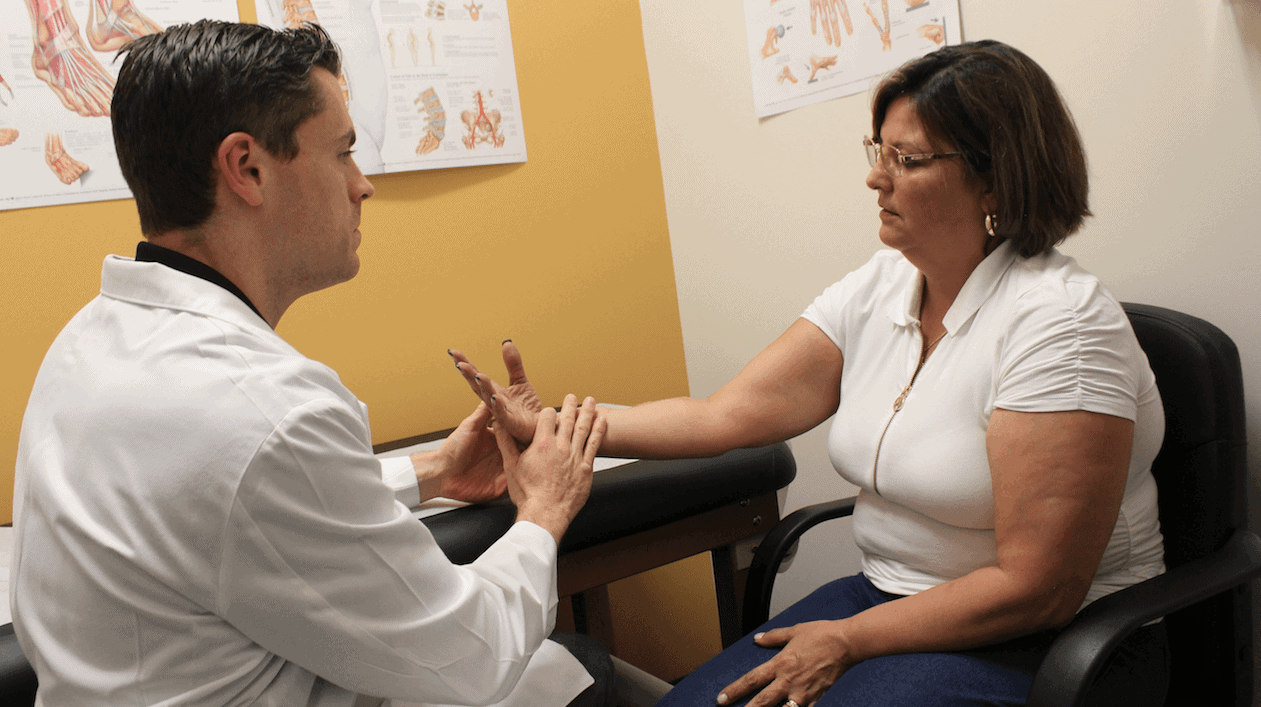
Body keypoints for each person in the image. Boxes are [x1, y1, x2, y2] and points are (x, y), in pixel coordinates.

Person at [452, 40, 1169, 707]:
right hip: (884, 600)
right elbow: (723, 416)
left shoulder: (1061, 328)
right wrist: (551, 428)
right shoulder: (884, 284)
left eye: (908, 160)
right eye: (877, 151)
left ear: (993, 180)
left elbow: (1035, 588)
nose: (874, 177)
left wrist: (848, 638)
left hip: (1050, 640)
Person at [10, 20, 611, 707]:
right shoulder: (266, 408)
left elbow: (231, 507)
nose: (363, 186)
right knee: (572, 668)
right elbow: (472, 654)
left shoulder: (92, 339)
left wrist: (433, 470)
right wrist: (544, 507)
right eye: (344, 153)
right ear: (247, 168)